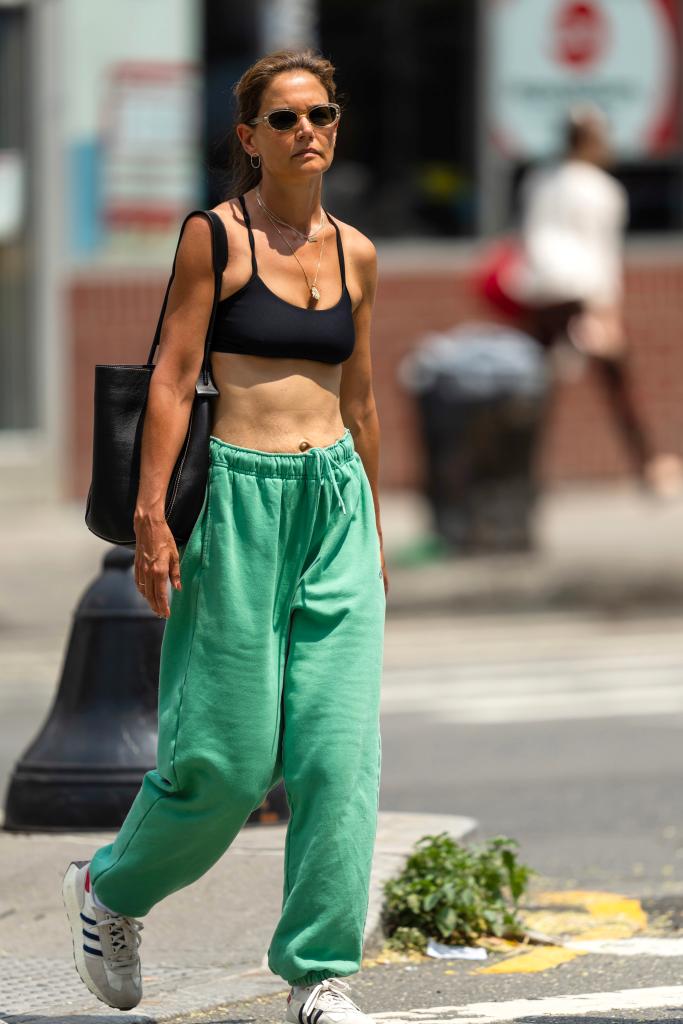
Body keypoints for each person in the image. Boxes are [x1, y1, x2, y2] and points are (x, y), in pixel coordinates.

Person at [61, 48, 387, 1023]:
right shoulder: (216, 237)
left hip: (334, 506)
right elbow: (171, 376)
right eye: (282, 119)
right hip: (238, 505)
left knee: (336, 755)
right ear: (247, 138)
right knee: (228, 760)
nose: (305, 132)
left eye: (319, 114)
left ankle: (318, 975)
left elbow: (362, 402)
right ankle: (111, 889)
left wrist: (372, 528)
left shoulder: (356, 253)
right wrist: (154, 513)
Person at [481, 103, 683, 497]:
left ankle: (516, 478)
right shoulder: (601, 189)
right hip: (579, 296)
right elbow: (601, 256)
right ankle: (650, 467)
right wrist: (607, 316)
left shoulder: (540, 180)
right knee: (616, 382)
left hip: (538, 294)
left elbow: (527, 240)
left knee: (536, 389)